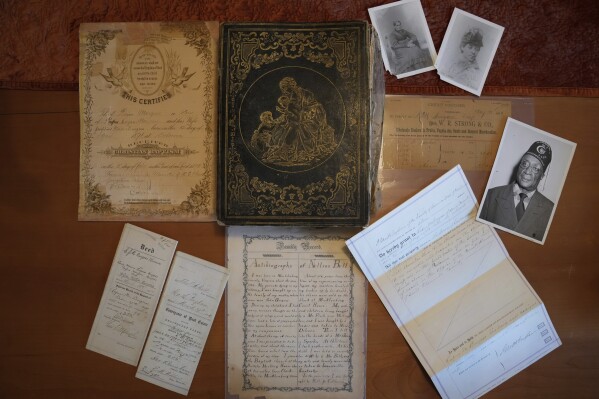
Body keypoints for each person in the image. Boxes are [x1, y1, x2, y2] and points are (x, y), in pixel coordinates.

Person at [479, 141, 554, 241]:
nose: (527, 171)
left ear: (542, 176)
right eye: (524, 164)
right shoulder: (491, 195)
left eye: (535, 168)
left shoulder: (550, 210)